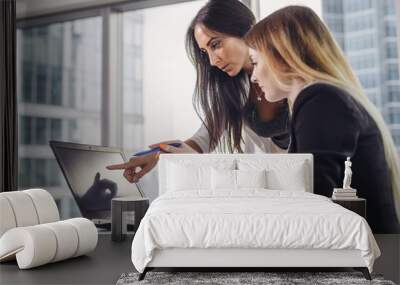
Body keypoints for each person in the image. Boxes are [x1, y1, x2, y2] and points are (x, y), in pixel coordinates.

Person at [245, 5, 400, 233]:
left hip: (365, 260)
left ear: (284, 57)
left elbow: (315, 201)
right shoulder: (322, 100)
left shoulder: (321, 101)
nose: (254, 76)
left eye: (256, 62)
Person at [107, 0, 290, 182]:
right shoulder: (234, 89)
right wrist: (157, 155)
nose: (212, 61)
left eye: (216, 45)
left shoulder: (292, 74)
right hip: (270, 193)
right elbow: (202, 140)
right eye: (205, 51)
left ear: (247, 29)